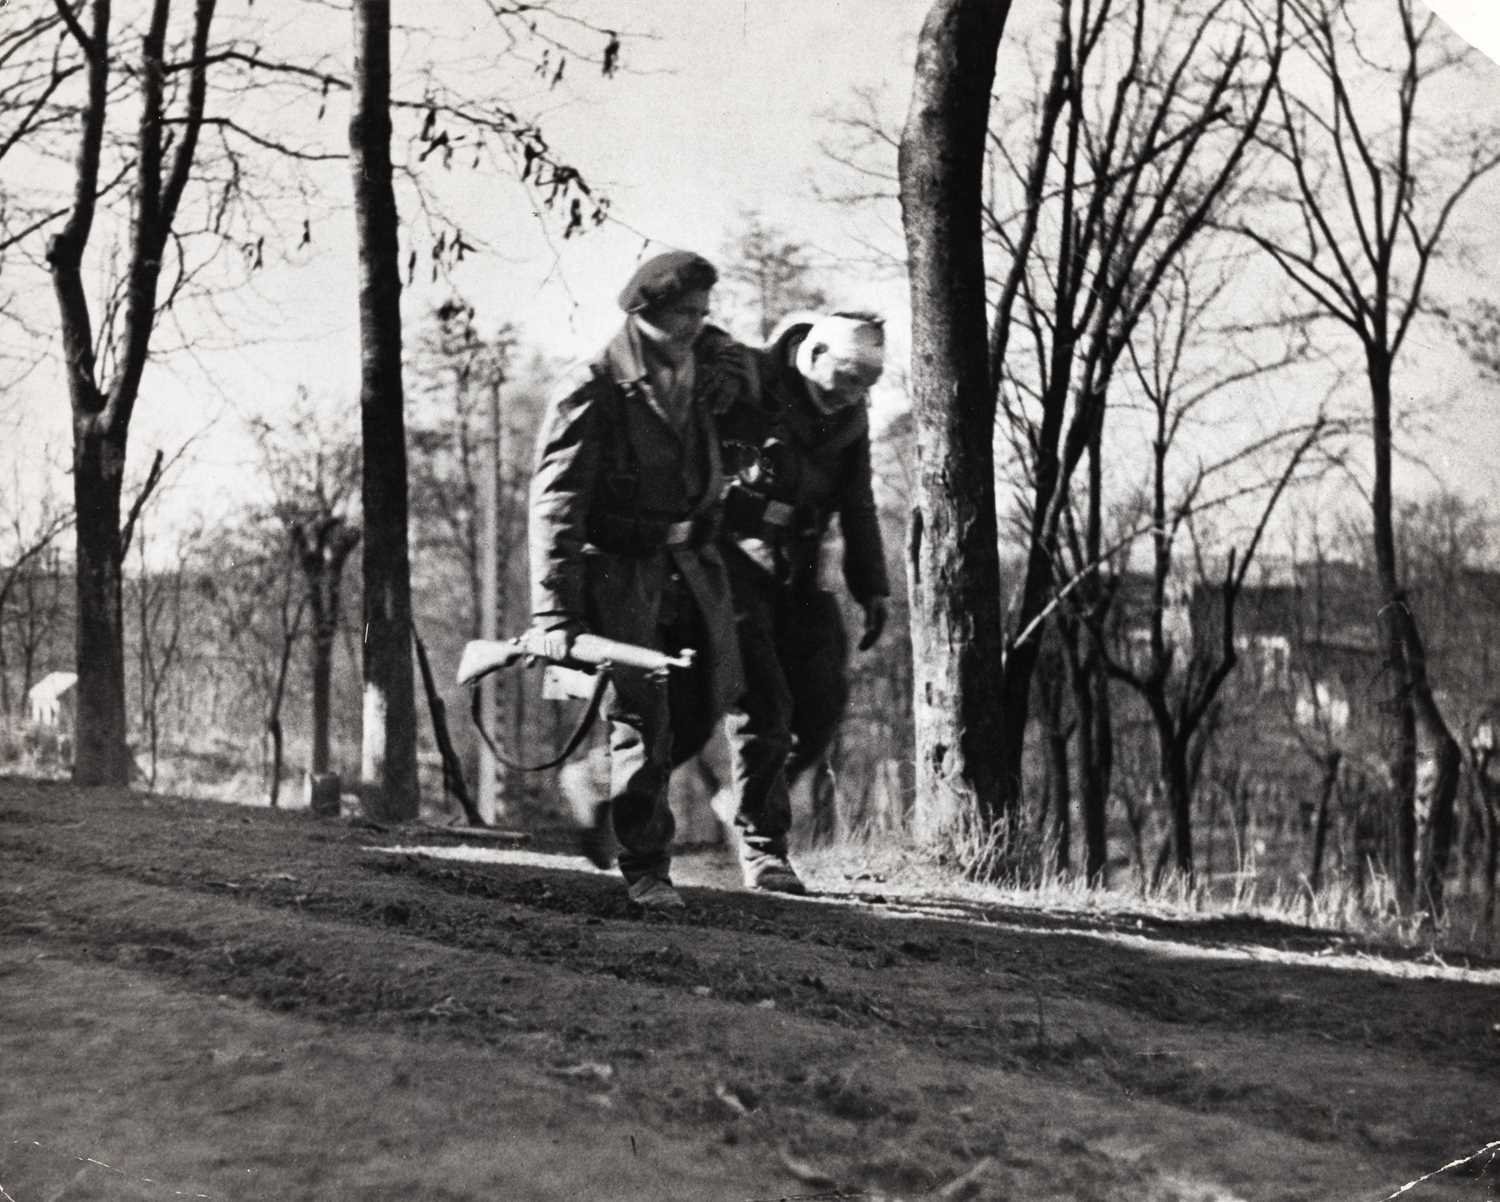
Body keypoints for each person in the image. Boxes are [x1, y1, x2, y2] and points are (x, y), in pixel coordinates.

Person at [528, 250, 754, 910]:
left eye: (704, 314)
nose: (698, 325)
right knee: (642, 717)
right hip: (621, 572)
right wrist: (553, 614)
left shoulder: (701, 367)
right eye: (685, 313)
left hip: (691, 567)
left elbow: (736, 362)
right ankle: (648, 867)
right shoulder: (595, 385)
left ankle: (597, 784)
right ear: (646, 313)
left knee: (707, 699)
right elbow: (556, 503)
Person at [718, 311, 890, 895]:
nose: (851, 395)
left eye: (865, 385)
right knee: (764, 700)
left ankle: (741, 799)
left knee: (822, 698)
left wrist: (872, 587)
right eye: (844, 378)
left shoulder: (851, 415)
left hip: (803, 561)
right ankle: (765, 851)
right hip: (730, 558)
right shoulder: (751, 383)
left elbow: (858, 501)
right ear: (812, 357)